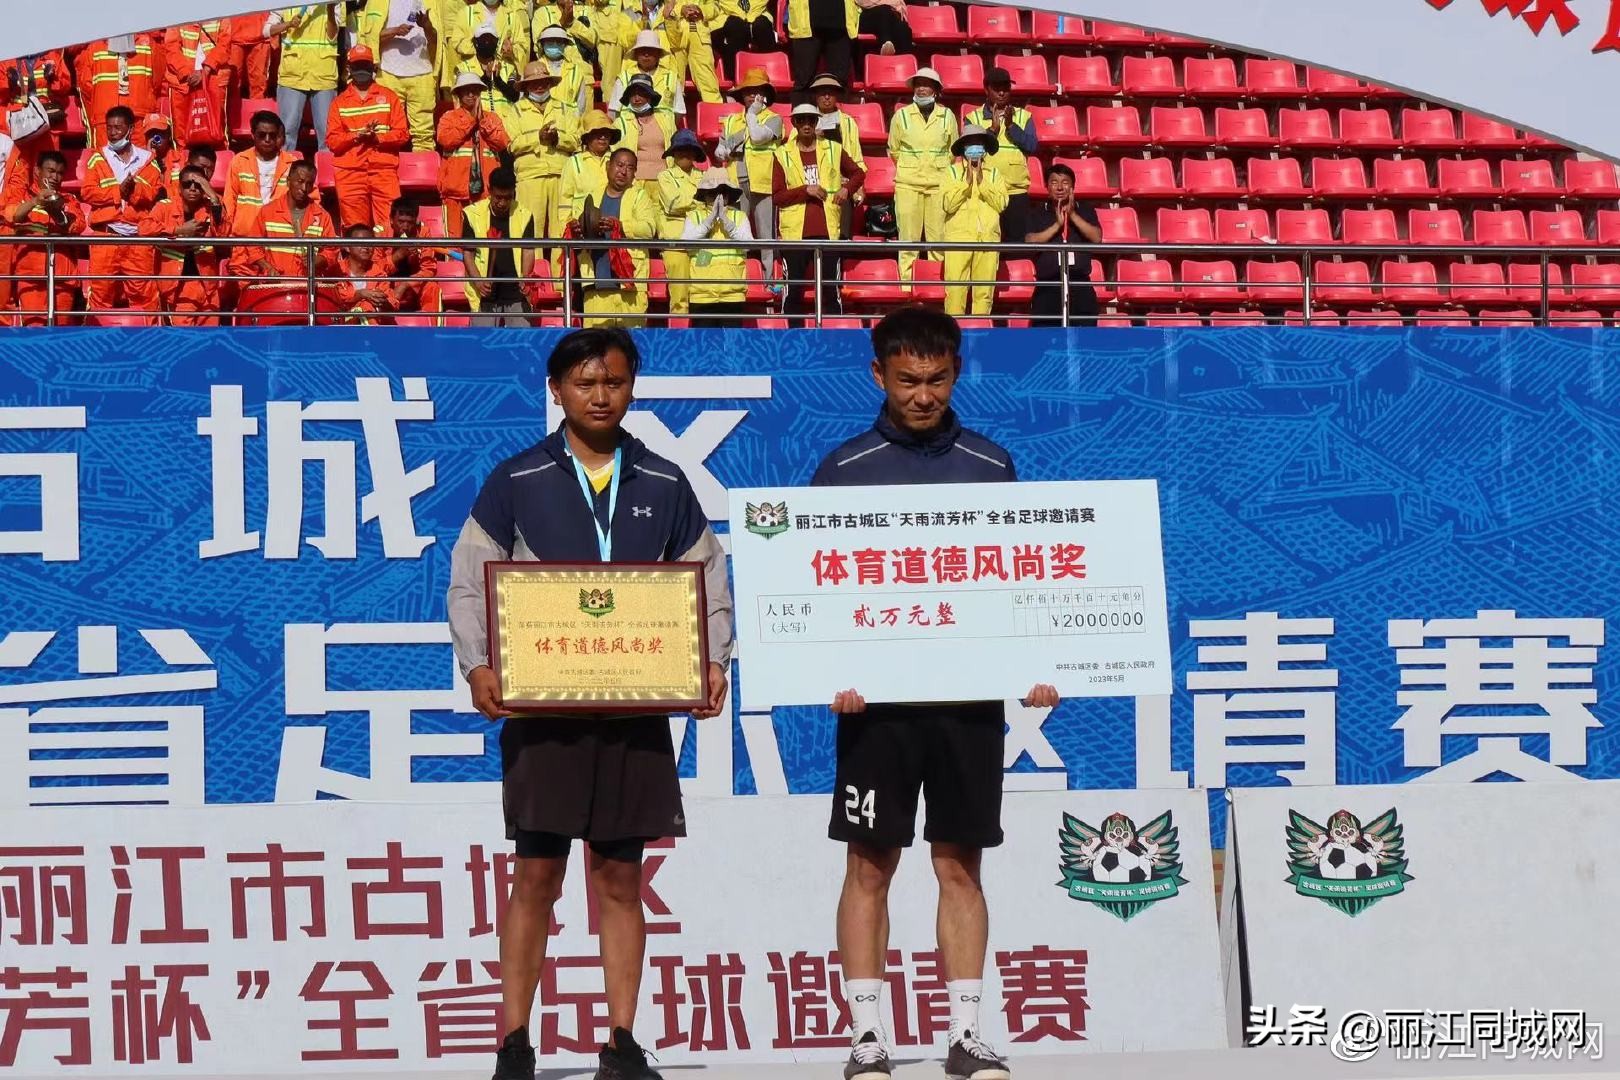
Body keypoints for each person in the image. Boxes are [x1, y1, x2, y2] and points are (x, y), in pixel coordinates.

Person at [448, 326, 733, 1080]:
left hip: (634, 708)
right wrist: (478, 664)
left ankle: (622, 1040)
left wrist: (712, 659)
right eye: (584, 383)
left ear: (631, 386)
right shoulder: (517, 479)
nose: (600, 395)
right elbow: (470, 578)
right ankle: (514, 1041)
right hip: (545, 711)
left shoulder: (665, 481)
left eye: (613, 381)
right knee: (535, 876)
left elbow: (708, 578)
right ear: (557, 391)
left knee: (619, 877)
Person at [811, 305, 1060, 1080]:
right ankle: (866, 1038)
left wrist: (1038, 663)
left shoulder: (991, 465)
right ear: (877, 375)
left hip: (967, 706)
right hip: (877, 713)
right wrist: (829, 674)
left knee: (960, 867)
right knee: (869, 867)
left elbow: (1019, 582)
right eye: (908, 380)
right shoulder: (844, 470)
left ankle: (966, 1034)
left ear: (957, 373)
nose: (923, 395)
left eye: (938, 379)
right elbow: (813, 593)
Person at [773, 102, 863, 324]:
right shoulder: (782, 154)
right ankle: (791, 338)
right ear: (794, 123)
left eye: (811, 120)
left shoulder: (833, 148)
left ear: (816, 122)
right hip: (795, 234)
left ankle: (833, 337)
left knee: (831, 291)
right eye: (801, 120)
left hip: (829, 230)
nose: (806, 124)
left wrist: (847, 189)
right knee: (793, 292)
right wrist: (806, 190)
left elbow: (858, 173)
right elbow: (777, 197)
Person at [81, 106, 163, 322]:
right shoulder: (97, 157)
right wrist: (118, 191)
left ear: (131, 129)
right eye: (109, 128)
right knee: (100, 295)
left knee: (144, 296)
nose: (113, 133)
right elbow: (87, 192)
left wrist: (133, 191)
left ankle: (149, 339)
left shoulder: (148, 159)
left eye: (118, 127)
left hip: (138, 240)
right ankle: (97, 340)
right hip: (106, 238)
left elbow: (153, 193)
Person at [231, 158, 338, 310]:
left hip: (307, 290)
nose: (304, 188)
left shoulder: (322, 216)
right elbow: (253, 245)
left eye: (309, 184)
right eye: (300, 181)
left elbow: (332, 250)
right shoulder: (268, 211)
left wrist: (318, 260)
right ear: (288, 181)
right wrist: (267, 267)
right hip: (275, 288)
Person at [569, 147, 658, 327]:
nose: (623, 171)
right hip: (595, 287)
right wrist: (577, 230)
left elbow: (649, 229)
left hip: (630, 287)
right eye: (619, 165)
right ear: (608, 166)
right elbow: (575, 228)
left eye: (630, 167)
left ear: (635, 173)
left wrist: (620, 226)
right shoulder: (591, 196)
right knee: (597, 341)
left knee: (631, 340)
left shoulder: (640, 196)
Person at [326, 46, 409, 232]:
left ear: (374, 68)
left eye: (365, 65)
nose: (361, 70)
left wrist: (378, 138)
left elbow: (403, 134)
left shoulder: (389, 97)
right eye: (357, 66)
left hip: (384, 170)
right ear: (349, 68)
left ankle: (386, 253)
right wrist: (357, 136)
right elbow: (332, 141)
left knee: (389, 227)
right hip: (350, 173)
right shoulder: (339, 102)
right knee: (356, 230)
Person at [713, 67, 783, 282]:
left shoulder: (774, 118)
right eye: (748, 91)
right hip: (736, 182)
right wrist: (723, 151)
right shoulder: (731, 120)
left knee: (766, 235)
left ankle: (770, 281)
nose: (753, 95)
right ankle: (736, 278)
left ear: (765, 95)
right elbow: (720, 149)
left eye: (758, 91)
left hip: (763, 182)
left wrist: (752, 115)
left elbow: (758, 137)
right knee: (736, 232)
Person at [887, 67, 956, 286]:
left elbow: (953, 150)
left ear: (936, 89)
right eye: (918, 84)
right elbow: (894, 150)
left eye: (927, 84)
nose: (922, 89)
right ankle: (907, 288)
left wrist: (936, 169)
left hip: (938, 185)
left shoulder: (947, 115)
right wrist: (912, 168)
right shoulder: (901, 115)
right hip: (908, 185)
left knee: (938, 241)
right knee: (908, 242)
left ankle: (938, 287)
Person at [139, 164, 227, 325]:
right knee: (182, 337)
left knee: (211, 337)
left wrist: (214, 198)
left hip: (208, 287)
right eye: (187, 184)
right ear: (179, 187)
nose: (192, 188)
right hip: (177, 288)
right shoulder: (165, 206)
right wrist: (178, 230)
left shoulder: (212, 207)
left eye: (198, 185)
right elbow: (144, 229)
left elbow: (224, 234)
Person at [4, 150, 83, 326]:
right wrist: (36, 202)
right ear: (37, 171)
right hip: (30, 276)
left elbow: (78, 225)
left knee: (61, 331)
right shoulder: (23, 196)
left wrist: (57, 211)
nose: (55, 177)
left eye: (60, 173)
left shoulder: (69, 200)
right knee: (34, 329)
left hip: (63, 277)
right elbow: (12, 215)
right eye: (51, 171)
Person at [964, 67, 1037, 247]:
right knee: (986, 241)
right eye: (997, 88)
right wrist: (992, 131)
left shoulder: (1023, 116)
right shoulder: (973, 118)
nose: (1002, 93)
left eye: (1006, 88)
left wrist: (1011, 127)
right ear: (986, 89)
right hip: (984, 191)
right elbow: (969, 152)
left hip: (1015, 192)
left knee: (1017, 246)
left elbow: (1032, 146)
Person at [508, 62, 579, 246]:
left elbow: (576, 141)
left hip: (561, 174)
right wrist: (537, 138)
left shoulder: (565, 108)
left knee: (561, 230)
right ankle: (533, 266)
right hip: (530, 176)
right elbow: (511, 145)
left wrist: (557, 139)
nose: (539, 87)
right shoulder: (515, 110)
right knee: (531, 230)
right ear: (526, 86)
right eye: (534, 83)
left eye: (543, 82)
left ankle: (560, 267)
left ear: (549, 83)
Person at [941, 124, 1006, 319]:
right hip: (958, 241)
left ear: (984, 148)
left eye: (979, 143)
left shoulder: (994, 174)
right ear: (963, 148)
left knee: (984, 293)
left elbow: (1001, 203)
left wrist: (982, 182)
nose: (975, 148)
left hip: (987, 240)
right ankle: (955, 332)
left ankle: (981, 333)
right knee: (955, 292)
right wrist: (966, 182)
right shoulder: (951, 172)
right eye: (970, 143)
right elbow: (947, 205)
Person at [436, 70, 511, 238]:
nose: (471, 94)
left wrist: (482, 121)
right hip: (455, 191)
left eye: (475, 91)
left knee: (484, 238)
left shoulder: (492, 118)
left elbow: (501, 143)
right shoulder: (448, 117)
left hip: (485, 192)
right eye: (466, 91)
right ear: (459, 94)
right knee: (455, 240)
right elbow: (445, 139)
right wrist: (470, 120)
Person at [460, 165, 537, 325]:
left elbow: (528, 251)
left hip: (516, 294)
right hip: (484, 295)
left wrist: (525, 279)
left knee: (521, 339)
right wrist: (478, 282)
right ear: (489, 190)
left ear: (513, 192)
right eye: (498, 197)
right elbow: (468, 254)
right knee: (483, 340)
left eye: (508, 198)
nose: (502, 203)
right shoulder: (472, 214)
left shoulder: (525, 215)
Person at [1025, 162, 1101, 325]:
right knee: (1046, 333)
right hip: (1048, 284)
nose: (1060, 187)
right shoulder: (1037, 212)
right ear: (1047, 187)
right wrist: (1057, 226)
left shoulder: (1085, 210)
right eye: (1054, 182)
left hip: (1079, 283)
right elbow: (1030, 241)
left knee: (1084, 332)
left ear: (1072, 187)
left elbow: (1096, 237)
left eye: (1065, 182)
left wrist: (1072, 215)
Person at [360, 0, 439, 153]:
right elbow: (369, 38)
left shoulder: (432, 2)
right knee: (384, 129)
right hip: (388, 72)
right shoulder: (376, 2)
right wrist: (395, 31)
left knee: (423, 134)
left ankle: (422, 167)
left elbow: (438, 41)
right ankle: (385, 165)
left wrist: (426, 26)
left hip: (423, 73)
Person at [681, 166, 753, 326]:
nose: (717, 198)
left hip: (733, 295)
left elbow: (748, 245)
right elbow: (686, 243)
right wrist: (709, 221)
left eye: (722, 193)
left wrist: (726, 222)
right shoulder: (694, 216)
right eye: (712, 193)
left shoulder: (739, 216)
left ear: (729, 195)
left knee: (732, 341)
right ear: (705, 195)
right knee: (705, 341)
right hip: (702, 295)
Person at [266, 6, 341, 152]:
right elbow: (267, 30)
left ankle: (326, 166)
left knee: (327, 133)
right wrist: (288, 24)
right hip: (292, 74)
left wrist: (330, 10)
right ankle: (285, 165)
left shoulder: (334, 3)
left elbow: (333, 36)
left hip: (323, 74)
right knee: (287, 131)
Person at [76, 35, 167, 149]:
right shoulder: (148, 44)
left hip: (114, 115)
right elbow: (157, 80)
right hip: (131, 114)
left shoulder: (94, 47)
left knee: (108, 155)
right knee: (137, 155)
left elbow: (86, 84)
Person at [223, 111, 304, 236]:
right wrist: (227, 235)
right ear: (253, 134)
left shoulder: (293, 164)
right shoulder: (239, 161)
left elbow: (310, 201)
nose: (267, 139)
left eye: (272, 135)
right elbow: (229, 202)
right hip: (245, 238)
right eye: (262, 135)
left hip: (280, 239)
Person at [656, 128, 705, 316]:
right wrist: (700, 203)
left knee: (703, 293)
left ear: (695, 153)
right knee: (680, 298)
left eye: (689, 149)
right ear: (673, 153)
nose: (685, 153)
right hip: (675, 244)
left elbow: (713, 205)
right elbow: (672, 204)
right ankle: (679, 332)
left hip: (702, 244)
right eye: (680, 149)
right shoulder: (664, 176)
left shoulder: (705, 176)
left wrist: (691, 204)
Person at [163, 19, 234, 149]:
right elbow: (171, 48)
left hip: (214, 80)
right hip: (182, 82)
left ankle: (217, 161)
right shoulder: (175, 13)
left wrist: (205, 71)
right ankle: (183, 161)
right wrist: (187, 73)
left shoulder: (222, 13)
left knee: (217, 132)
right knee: (181, 135)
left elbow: (225, 44)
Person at [443, 0, 530, 92]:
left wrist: (511, 50)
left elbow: (522, 46)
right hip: (473, 72)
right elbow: (457, 42)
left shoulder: (511, 16)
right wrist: (483, 47)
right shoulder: (466, 12)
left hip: (502, 74)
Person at [614, 75, 676, 198]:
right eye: (632, 95)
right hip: (635, 183)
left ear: (650, 96)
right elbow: (614, 155)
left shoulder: (667, 120)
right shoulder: (621, 123)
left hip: (665, 182)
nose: (636, 99)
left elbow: (676, 150)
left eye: (641, 94)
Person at [784, 0, 858, 103]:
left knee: (840, 82)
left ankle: (840, 113)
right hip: (805, 26)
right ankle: (801, 113)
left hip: (841, 26)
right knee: (803, 81)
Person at [379, 197, 442, 316]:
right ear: (391, 219)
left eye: (410, 222)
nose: (405, 226)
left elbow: (429, 269)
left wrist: (406, 284)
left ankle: (431, 325)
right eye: (401, 221)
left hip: (413, 284)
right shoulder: (380, 233)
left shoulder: (423, 233)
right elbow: (374, 269)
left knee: (432, 287)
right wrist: (398, 255)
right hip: (386, 284)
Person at [2, 50, 73, 147]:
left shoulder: (52, 57)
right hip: (18, 122)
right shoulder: (7, 60)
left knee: (46, 155)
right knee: (18, 155)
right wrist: (8, 83)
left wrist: (53, 77)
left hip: (45, 122)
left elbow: (65, 87)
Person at [560, 109, 620, 224]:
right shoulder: (574, 162)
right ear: (587, 137)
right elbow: (565, 200)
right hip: (582, 226)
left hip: (612, 224)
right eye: (598, 132)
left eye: (606, 133)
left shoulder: (617, 160)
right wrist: (567, 227)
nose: (603, 137)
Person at [606, 30, 680, 117]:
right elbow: (614, 112)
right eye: (642, 50)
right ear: (636, 54)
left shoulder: (671, 78)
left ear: (658, 54)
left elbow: (679, 111)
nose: (646, 54)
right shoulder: (624, 78)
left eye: (650, 50)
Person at [663, 0, 723, 107]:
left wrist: (701, 10)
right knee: (674, 77)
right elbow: (664, 7)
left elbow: (715, 7)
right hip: (676, 33)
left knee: (707, 77)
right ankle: (669, 113)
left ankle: (715, 110)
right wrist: (681, 10)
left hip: (700, 35)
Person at [533, 24, 593, 115]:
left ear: (565, 44)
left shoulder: (575, 70)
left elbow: (581, 104)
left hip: (570, 122)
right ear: (542, 44)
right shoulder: (533, 70)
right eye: (550, 41)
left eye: (559, 41)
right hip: (543, 121)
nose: (555, 44)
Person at [711, 0, 774, 82]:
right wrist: (742, 15)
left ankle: (767, 76)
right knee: (736, 26)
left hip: (758, 14)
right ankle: (734, 78)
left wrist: (749, 17)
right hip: (727, 16)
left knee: (762, 27)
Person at [229, 10, 276, 100]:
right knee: (232, 82)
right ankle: (232, 108)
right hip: (234, 36)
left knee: (259, 83)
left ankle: (257, 108)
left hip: (260, 34)